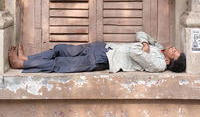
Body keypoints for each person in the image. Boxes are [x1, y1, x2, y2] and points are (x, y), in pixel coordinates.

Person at [8, 31, 186, 73]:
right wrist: (146, 42)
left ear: (170, 62)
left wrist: (143, 48)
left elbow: (134, 53)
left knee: (61, 64)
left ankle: (20, 64)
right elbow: (141, 33)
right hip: (106, 47)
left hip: (105, 59)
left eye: (175, 52)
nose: (173, 48)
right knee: (61, 49)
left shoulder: (160, 64)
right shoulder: (159, 48)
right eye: (176, 48)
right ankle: (28, 58)